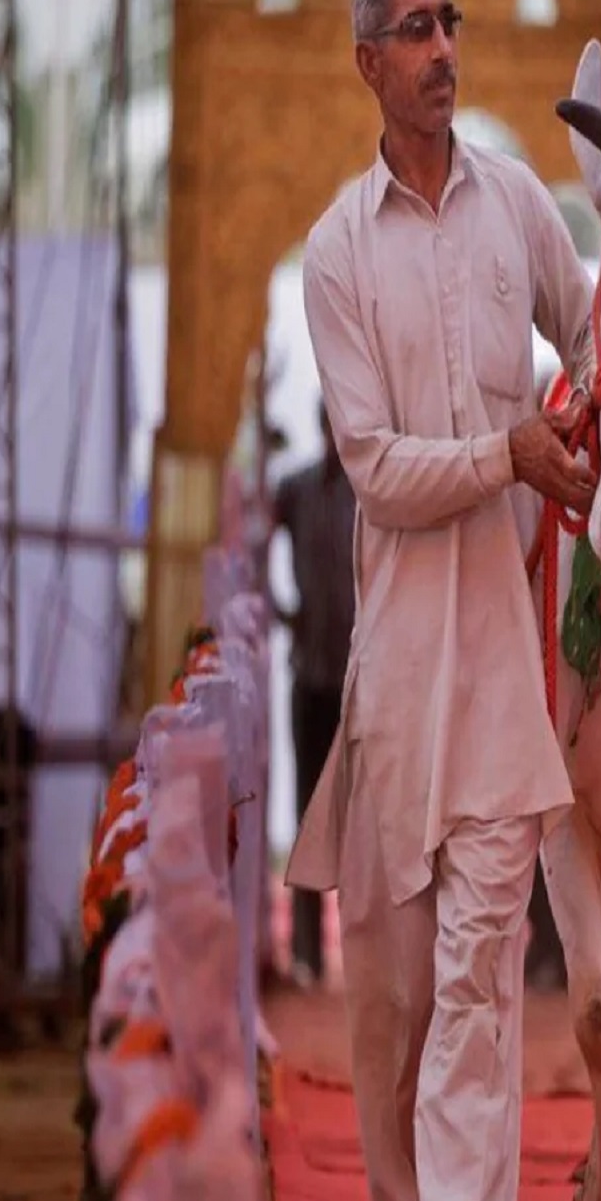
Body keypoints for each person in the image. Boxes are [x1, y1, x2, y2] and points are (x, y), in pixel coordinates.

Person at [283, 0, 595, 1201]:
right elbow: (373, 467)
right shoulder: (336, 254)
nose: (441, 50)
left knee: (480, 978)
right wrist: (509, 453)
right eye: (413, 29)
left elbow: (593, 333)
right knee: (393, 1018)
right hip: (396, 685)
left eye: (449, 21)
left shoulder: (517, 204)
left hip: (506, 683)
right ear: (367, 60)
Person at [271, 404, 356, 986]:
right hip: (310, 676)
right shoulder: (296, 490)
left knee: (362, 820)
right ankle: (306, 953)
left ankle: (361, 947)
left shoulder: (370, 490)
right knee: (307, 816)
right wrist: (282, 614)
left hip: (358, 682)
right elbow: (250, 541)